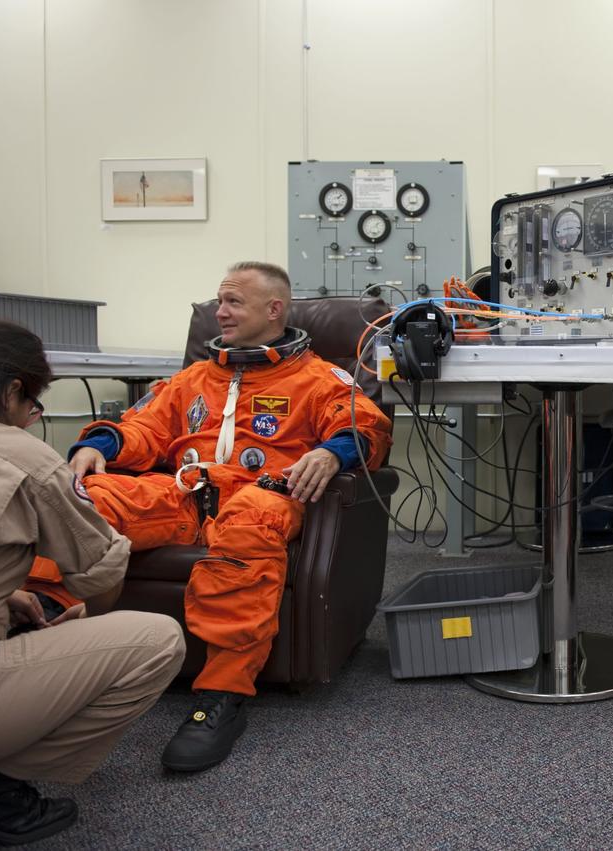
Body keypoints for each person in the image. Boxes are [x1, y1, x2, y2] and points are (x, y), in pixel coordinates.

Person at [48, 260, 393, 774]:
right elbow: (143, 427)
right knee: (81, 499)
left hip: (262, 497)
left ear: (274, 310)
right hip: (184, 493)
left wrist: (331, 452)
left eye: (233, 302)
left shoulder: (319, 379)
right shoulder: (193, 379)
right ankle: (33, 630)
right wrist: (100, 444)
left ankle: (221, 695)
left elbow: (365, 426)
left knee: (251, 522)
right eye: (219, 301)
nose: (220, 312)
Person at [0, 319, 185, 845]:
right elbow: (101, 577)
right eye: (34, 405)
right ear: (11, 392)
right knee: (157, 640)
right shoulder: (21, 455)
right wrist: (86, 616)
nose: (31, 417)